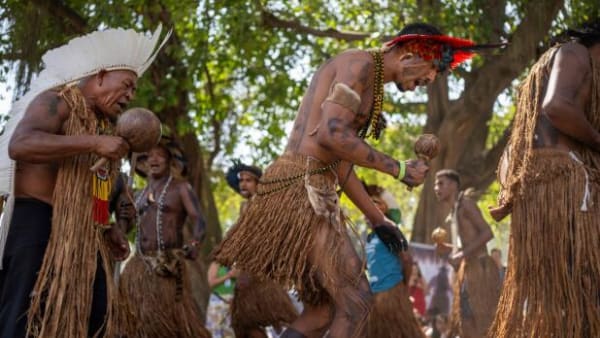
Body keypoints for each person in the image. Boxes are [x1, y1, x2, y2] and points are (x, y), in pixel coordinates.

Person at [215, 23, 477, 337]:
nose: (429, 80)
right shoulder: (360, 63)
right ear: (410, 54)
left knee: (323, 311)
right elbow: (331, 134)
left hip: (310, 186)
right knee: (355, 301)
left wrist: (378, 219)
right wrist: (398, 168)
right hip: (302, 188)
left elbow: (339, 165)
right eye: (432, 69)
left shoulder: (370, 78)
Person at [0, 26, 168, 337]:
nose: (130, 95)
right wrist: (92, 143)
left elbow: (95, 189)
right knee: (25, 320)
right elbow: (21, 144)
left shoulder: (104, 130)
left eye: (134, 91)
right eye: (127, 85)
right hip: (36, 225)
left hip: (85, 235)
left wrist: (109, 228)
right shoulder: (56, 101)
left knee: (97, 319)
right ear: (101, 76)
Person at [489, 20, 600, 338]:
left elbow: (516, 147)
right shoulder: (575, 53)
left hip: (542, 191)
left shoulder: (546, 65)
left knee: (556, 297)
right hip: (563, 188)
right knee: (580, 287)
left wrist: (509, 192)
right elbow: (557, 107)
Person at [119, 137, 210, 337]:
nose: (154, 159)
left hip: (167, 266)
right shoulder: (138, 194)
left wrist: (195, 243)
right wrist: (125, 217)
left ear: (170, 161)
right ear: (142, 163)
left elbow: (200, 221)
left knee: (169, 326)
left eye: (159, 155)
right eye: (149, 156)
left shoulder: (181, 188)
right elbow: (128, 229)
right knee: (138, 325)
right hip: (139, 267)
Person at [225, 161, 299, 338]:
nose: (243, 183)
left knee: (279, 318)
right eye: (241, 180)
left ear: (259, 184)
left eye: (249, 180)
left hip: (261, 272)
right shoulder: (245, 207)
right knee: (245, 322)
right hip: (245, 270)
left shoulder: (267, 206)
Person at [433, 169, 500, 338]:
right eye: (435, 184)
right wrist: (447, 248)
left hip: (481, 269)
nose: (436, 188)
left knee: (484, 321)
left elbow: (487, 233)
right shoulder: (455, 211)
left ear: (454, 185)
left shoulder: (467, 204)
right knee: (466, 320)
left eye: (440, 183)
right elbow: (467, 245)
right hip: (468, 271)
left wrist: (460, 255)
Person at [363, 183, 425, 338]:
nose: (364, 213)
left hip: (393, 293)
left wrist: (402, 286)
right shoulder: (370, 237)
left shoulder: (389, 230)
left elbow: (407, 260)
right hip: (376, 295)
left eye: (372, 205)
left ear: (383, 209)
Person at [207, 261, 238, 338]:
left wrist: (237, 274)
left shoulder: (235, 264)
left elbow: (244, 279)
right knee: (214, 330)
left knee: (230, 330)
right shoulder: (216, 264)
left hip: (233, 302)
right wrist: (228, 276)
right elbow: (211, 282)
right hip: (218, 300)